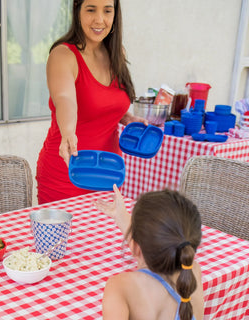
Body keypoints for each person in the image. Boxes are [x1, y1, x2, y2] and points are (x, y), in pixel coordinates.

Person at [36, 0, 148, 204]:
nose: (99, 19)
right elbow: (65, 100)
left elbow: (104, 102)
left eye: (107, 10)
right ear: (77, 10)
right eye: (91, 9)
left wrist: (127, 118)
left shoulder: (116, 53)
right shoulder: (63, 55)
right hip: (67, 171)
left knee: (104, 236)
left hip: (108, 173)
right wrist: (68, 132)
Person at [94, 185, 204, 320]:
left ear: (135, 247)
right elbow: (160, 243)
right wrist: (121, 217)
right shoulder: (193, 271)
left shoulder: (121, 287)